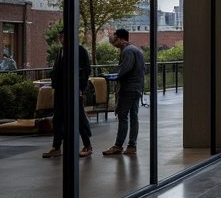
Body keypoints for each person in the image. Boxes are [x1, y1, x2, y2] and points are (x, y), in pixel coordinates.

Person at [42, 30, 93, 159]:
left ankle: (87, 145)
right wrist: (54, 83)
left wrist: (80, 86)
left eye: (62, 35)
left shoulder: (79, 50)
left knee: (79, 117)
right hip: (60, 89)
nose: (60, 38)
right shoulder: (61, 51)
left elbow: (86, 69)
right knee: (58, 117)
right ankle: (56, 146)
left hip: (73, 89)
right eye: (59, 36)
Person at [103, 29, 145, 157]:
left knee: (123, 116)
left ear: (121, 39)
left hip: (128, 88)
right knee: (134, 117)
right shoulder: (137, 50)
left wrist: (116, 77)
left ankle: (118, 145)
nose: (113, 42)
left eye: (115, 38)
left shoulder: (127, 51)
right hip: (137, 87)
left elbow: (125, 69)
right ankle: (132, 146)